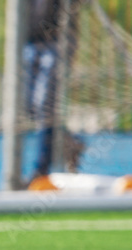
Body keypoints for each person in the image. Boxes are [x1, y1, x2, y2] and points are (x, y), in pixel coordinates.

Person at [24, 0, 84, 180]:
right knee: (28, 107)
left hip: (58, 39)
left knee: (45, 104)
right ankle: (69, 143)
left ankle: (41, 171)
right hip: (29, 40)